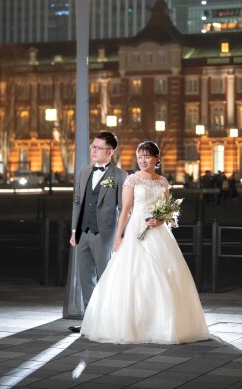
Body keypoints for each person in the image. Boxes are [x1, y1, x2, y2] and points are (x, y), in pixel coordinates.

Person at [81, 141, 210, 344]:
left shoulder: (162, 181)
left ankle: (165, 324)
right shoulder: (132, 180)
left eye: (147, 156)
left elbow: (168, 208)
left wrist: (160, 219)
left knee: (165, 274)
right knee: (135, 274)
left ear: (156, 159)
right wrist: (119, 236)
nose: (142, 160)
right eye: (139, 156)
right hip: (136, 231)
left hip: (159, 232)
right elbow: (124, 210)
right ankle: (133, 324)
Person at [68, 131, 129, 333]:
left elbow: (124, 208)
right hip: (82, 233)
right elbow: (78, 201)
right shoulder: (85, 171)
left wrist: (119, 236)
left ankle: (108, 322)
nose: (93, 150)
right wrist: (74, 230)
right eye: (92, 146)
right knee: (86, 279)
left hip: (105, 234)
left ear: (110, 152)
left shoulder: (120, 175)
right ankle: (89, 322)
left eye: (98, 147)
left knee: (106, 279)